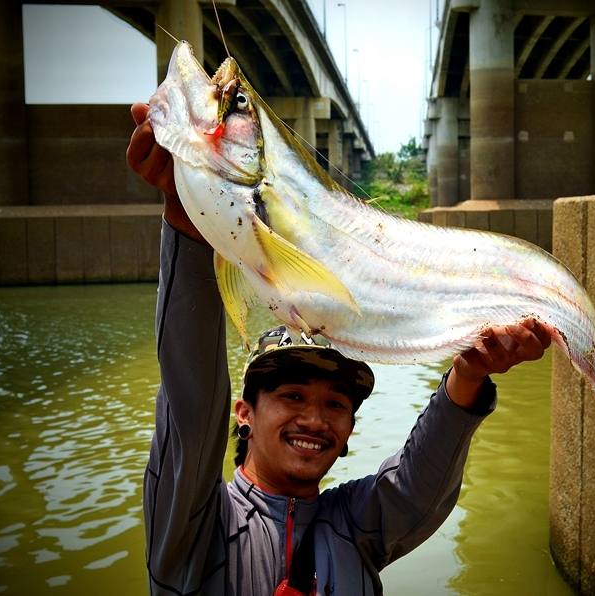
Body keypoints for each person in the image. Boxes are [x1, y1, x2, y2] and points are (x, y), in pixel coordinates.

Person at [127, 102, 554, 595]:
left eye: (335, 405)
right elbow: (191, 401)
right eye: (291, 396)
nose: (315, 419)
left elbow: (419, 482)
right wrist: (187, 225)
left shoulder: (356, 526)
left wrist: (469, 377)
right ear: (244, 412)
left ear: (350, 431)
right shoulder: (193, 526)